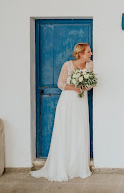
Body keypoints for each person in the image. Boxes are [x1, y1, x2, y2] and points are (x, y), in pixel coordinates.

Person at [31, 43, 94, 182]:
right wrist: (75, 88)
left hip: (81, 102)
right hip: (68, 101)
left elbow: (90, 84)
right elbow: (61, 84)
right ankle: (63, 166)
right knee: (66, 130)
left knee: (79, 130)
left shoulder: (90, 65)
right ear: (80, 53)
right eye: (89, 52)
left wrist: (85, 87)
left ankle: (78, 167)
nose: (91, 53)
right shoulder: (67, 65)